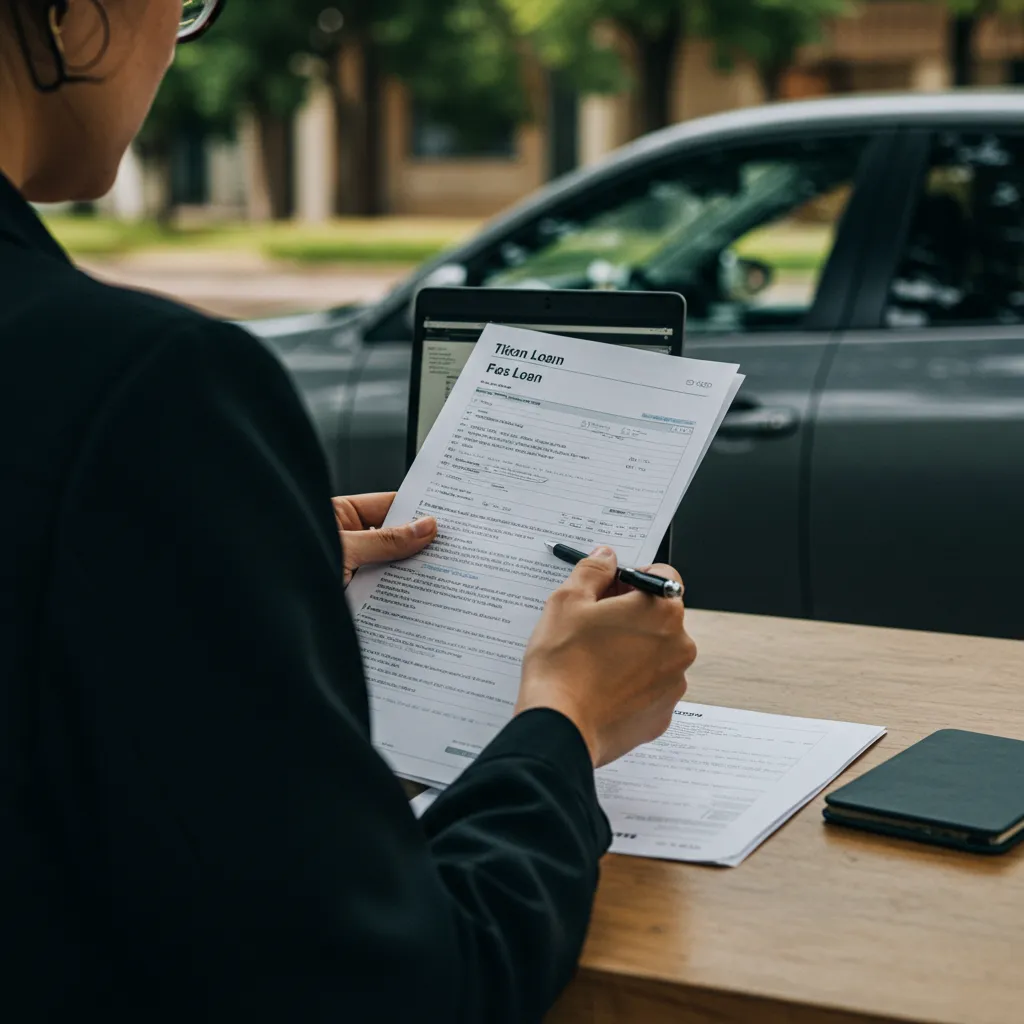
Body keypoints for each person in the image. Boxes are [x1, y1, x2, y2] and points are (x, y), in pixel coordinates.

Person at [0, 1, 697, 1020]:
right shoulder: (141, 390)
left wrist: (217, 567)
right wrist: (565, 723)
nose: (176, 36)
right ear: (69, 12)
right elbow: (389, 984)